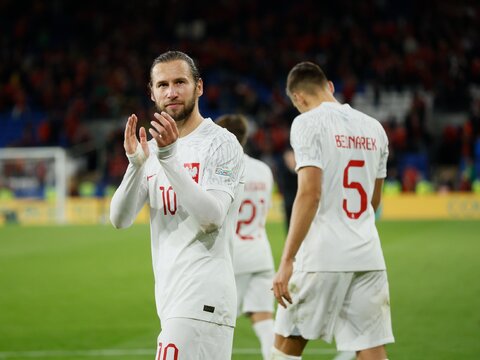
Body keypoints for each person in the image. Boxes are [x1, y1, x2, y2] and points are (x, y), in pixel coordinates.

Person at [110, 51, 245, 360]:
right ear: (152, 92)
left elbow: (212, 218)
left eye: (180, 82)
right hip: (171, 298)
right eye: (163, 84)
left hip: (203, 295)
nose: (171, 92)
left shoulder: (221, 143)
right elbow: (119, 218)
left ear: (199, 87)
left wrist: (169, 158)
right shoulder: (153, 151)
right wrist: (135, 164)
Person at [271, 61, 394, 360]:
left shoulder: (306, 123)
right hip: (368, 254)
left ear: (298, 98)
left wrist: (287, 260)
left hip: (322, 255)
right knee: (371, 348)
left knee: (286, 345)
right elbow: (372, 202)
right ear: (330, 87)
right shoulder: (374, 128)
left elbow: (309, 194)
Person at [216, 114, 275, 360]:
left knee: (215, 326)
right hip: (261, 253)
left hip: (231, 256)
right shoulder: (263, 169)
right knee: (264, 321)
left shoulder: (221, 169)